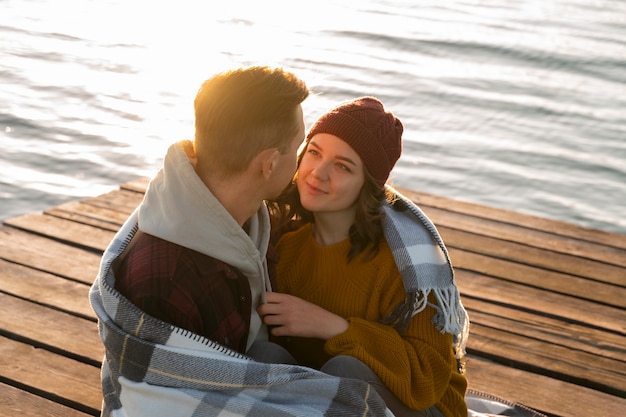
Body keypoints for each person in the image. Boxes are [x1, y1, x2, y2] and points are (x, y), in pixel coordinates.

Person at [90, 67, 392, 416]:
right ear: (268, 165)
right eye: (300, 149)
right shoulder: (166, 282)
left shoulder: (243, 216)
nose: (301, 167)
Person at [260, 97, 470, 417]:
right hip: (327, 396)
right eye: (314, 152)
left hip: (424, 406)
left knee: (347, 371)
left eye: (343, 166)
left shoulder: (402, 264)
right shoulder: (287, 248)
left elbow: (429, 377)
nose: (318, 172)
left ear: (367, 185)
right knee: (263, 355)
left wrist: (336, 327)